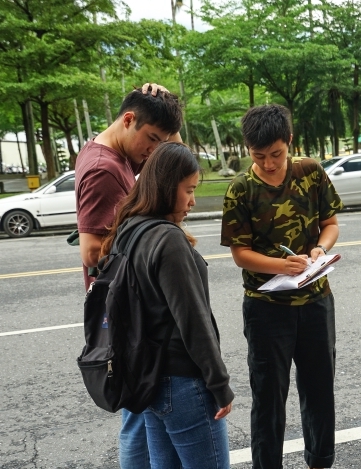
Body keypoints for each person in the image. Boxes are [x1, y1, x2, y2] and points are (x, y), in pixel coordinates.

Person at [220, 104, 343, 469]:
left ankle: (321, 460)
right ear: (247, 149)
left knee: (319, 390)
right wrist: (281, 265)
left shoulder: (310, 172)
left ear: (289, 141)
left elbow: (331, 223)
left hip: (315, 300)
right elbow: (241, 254)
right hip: (266, 308)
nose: (269, 163)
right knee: (269, 396)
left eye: (277, 154)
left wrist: (322, 247)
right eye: (259, 156)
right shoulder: (241, 189)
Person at [101, 142, 233, 468]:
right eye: (188, 190)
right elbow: (193, 320)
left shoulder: (128, 230)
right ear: (165, 186)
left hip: (149, 380)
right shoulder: (167, 239)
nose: (193, 200)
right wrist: (220, 384)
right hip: (184, 382)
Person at [74, 84, 183, 468]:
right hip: (125, 308)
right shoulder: (105, 168)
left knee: (140, 412)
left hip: (123, 305)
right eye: (151, 138)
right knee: (138, 412)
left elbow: (174, 158)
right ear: (128, 119)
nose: (153, 149)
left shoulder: (114, 151)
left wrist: (169, 117)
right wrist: (147, 242)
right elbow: (91, 250)